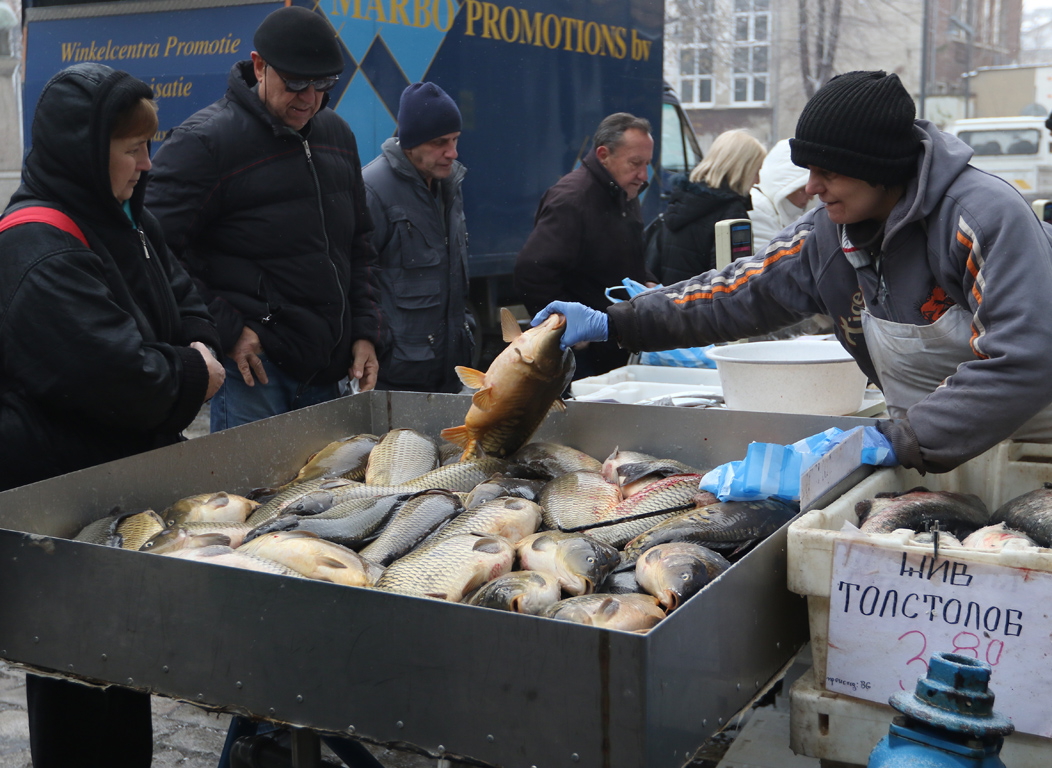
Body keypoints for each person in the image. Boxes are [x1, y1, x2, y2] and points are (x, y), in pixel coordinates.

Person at [534, 70, 1052, 475]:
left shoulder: (981, 218)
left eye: (828, 171)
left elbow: (1025, 359)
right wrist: (618, 322)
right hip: (932, 456)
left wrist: (895, 439)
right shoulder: (829, 233)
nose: (812, 187)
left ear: (881, 166)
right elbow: (736, 293)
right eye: (809, 169)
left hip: (1033, 452)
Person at [0, 62, 225, 767]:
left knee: (122, 674)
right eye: (132, 149)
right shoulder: (37, 248)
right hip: (61, 512)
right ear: (84, 150)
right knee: (74, 690)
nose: (146, 163)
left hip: (115, 499)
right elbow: (124, 376)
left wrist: (189, 350)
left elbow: (191, 306)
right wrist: (192, 368)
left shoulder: (126, 219)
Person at [146, 5, 382, 431]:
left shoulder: (338, 137)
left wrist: (365, 332)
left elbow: (359, 246)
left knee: (322, 496)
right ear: (259, 66)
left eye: (323, 84)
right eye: (294, 83)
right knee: (254, 496)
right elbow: (153, 250)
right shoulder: (205, 144)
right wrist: (227, 330)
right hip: (254, 372)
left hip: (327, 369)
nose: (309, 98)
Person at [514, 112, 658, 379]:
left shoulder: (623, 192)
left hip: (617, 344)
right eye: (635, 163)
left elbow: (622, 256)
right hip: (584, 359)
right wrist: (562, 325)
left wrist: (645, 281)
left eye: (647, 164)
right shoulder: (572, 199)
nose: (644, 175)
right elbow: (532, 269)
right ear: (603, 155)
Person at [363, 81, 474, 393]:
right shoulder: (372, 191)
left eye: (455, 140)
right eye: (440, 142)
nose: (452, 153)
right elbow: (355, 281)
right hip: (395, 380)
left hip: (447, 372)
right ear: (410, 143)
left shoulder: (448, 186)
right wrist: (374, 345)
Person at [648, 129, 765, 286]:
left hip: (671, 302)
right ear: (741, 170)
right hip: (702, 308)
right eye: (756, 171)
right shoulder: (732, 213)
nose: (757, 180)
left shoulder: (681, 199)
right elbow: (732, 283)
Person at [749, 138, 814, 247]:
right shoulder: (757, 208)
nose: (811, 196)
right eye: (803, 189)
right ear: (785, 188)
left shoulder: (780, 213)